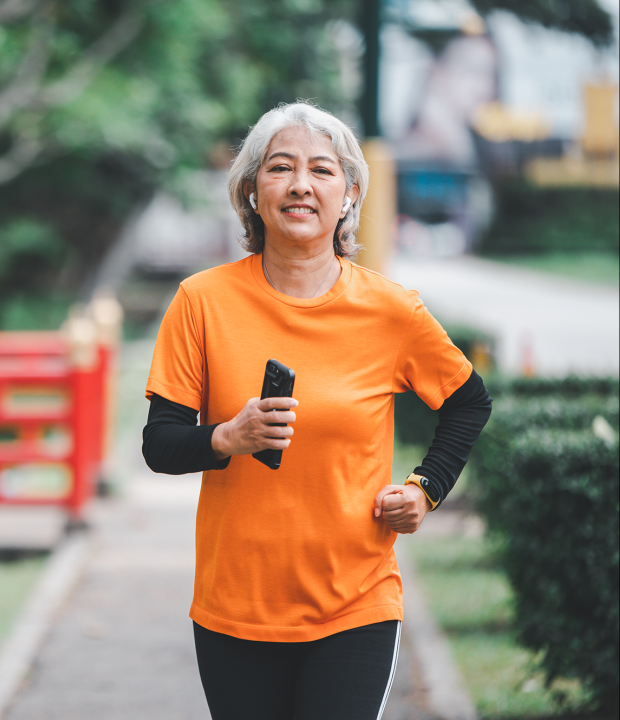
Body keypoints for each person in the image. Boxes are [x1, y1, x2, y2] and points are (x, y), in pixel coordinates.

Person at [142, 102, 492, 720]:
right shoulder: (201, 303)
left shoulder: (391, 311)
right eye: (280, 168)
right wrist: (227, 436)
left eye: (322, 171)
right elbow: (160, 444)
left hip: (354, 605)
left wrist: (426, 487)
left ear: (350, 193)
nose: (301, 184)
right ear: (252, 191)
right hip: (235, 609)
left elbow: (468, 401)